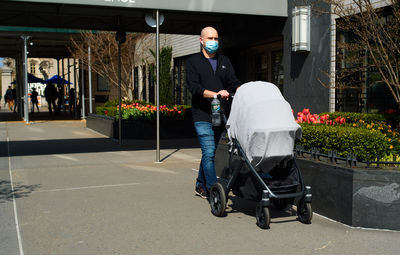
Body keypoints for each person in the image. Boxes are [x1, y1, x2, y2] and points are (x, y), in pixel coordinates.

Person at [186, 26, 241, 199]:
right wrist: (215, 94)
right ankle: (213, 190)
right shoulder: (193, 62)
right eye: (210, 39)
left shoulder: (224, 61)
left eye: (216, 39)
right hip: (202, 115)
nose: (213, 42)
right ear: (201, 40)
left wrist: (244, 90)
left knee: (209, 153)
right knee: (209, 153)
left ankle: (200, 185)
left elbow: (233, 82)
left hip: (220, 115)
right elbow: (194, 87)